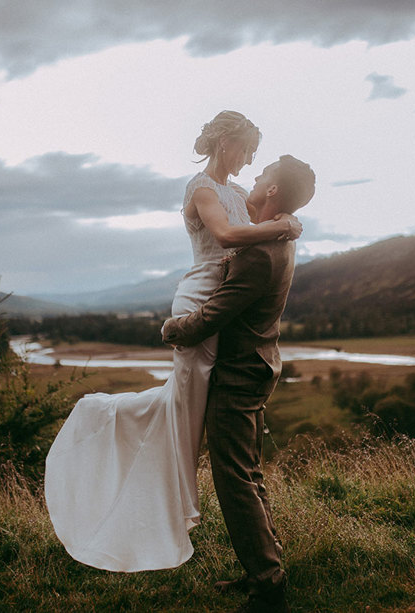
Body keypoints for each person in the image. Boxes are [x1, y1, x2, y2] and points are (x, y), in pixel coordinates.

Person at [44, 111, 302, 572]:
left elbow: (264, 210)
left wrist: (285, 216)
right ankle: (107, 423)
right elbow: (225, 235)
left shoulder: (240, 193)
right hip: (199, 301)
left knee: (186, 411)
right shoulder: (201, 188)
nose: (249, 161)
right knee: (183, 411)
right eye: (246, 150)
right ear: (226, 143)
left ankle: (204, 522)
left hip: (222, 303)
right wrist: (282, 226)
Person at [163, 155, 316, 613]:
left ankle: (268, 584)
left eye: (261, 176)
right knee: (247, 472)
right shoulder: (276, 241)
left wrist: (172, 329)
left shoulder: (258, 254)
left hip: (237, 373)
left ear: (272, 192)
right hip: (257, 366)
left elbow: (212, 316)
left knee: (234, 480)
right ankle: (266, 568)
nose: (253, 179)